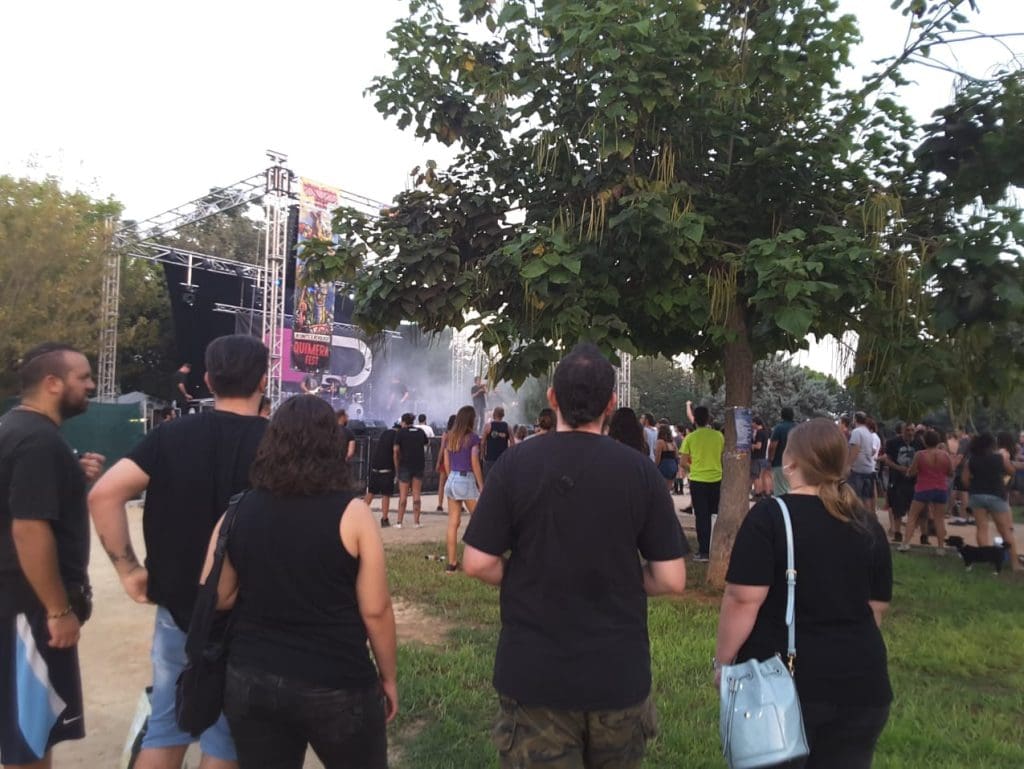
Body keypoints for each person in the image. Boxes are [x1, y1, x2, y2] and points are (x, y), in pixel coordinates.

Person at [462, 343, 687, 769]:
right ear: (611, 403)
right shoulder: (640, 471)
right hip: (618, 678)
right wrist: (623, 577)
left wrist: (524, 571)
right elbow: (672, 578)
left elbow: (477, 562)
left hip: (534, 678)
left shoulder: (515, 464)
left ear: (552, 397)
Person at [89, 334, 270, 769]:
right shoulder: (278, 444)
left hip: (178, 608)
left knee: (167, 729)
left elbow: (104, 495)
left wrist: (129, 570)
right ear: (264, 381)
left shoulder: (169, 435)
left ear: (208, 380)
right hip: (250, 615)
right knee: (226, 742)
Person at [200, 395, 397, 769]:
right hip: (336, 680)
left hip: (252, 677)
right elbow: (376, 610)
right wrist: (388, 678)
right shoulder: (354, 514)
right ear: (332, 445)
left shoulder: (237, 510)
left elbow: (218, 596)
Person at [715, 418, 893, 769]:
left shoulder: (770, 516)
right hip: (863, 682)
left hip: (786, 684)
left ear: (790, 463)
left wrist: (723, 662)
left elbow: (743, 599)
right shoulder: (866, 523)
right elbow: (876, 607)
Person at [0, 343, 103, 768]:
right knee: (30, 737)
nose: (91, 385)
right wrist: (58, 610)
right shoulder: (38, 441)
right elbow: (28, 529)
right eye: (83, 377)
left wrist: (71, 477)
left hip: (19, 603)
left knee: (29, 731)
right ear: (52, 383)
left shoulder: (17, 428)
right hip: (29, 606)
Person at [962, 432, 1022, 572]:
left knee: (982, 528)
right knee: (1005, 530)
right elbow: (1011, 471)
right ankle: (1015, 564)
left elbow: (964, 480)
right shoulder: (999, 458)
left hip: (977, 496)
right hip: (996, 495)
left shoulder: (972, 459)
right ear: (991, 445)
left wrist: (974, 487)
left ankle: (987, 560)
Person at [442, 406, 484, 572]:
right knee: (480, 519)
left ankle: (452, 563)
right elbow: (475, 463)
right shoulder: (473, 439)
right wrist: (481, 485)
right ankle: (479, 557)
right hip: (465, 479)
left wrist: (450, 477)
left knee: (453, 522)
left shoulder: (450, 437)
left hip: (452, 478)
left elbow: (446, 461)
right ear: (471, 420)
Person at [680, 406, 724, 562]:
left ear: (695, 420)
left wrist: (694, 468)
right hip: (716, 479)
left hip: (698, 480)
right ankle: (714, 547)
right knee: (714, 515)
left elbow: (683, 462)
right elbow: (722, 457)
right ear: (708, 419)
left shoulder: (690, 438)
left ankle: (703, 551)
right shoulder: (719, 436)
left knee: (701, 516)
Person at [901, 430, 953, 555]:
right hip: (940, 488)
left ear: (924, 441)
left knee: (912, 516)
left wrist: (909, 472)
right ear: (937, 441)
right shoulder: (945, 455)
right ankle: (941, 548)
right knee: (939, 519)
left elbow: (912, 472)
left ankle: (906, 543)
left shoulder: (920, 454)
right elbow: (950, 473)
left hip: (923, 488)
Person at [882, 422, 923, 544]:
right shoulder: (892, 443)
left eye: (912, 430)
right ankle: (897, 532)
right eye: (907, 430)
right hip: (897, 480)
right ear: (902, 430)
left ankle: (910, 534)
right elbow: (887, 460)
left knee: (913, 509)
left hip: (914, 481)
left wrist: (914, 471)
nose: (910, 432)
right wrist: (900, 468)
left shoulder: (919, 443)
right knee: (897, 507)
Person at [394, 413, 428, 528]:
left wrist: (397, 464)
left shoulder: (400, 433)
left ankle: (399, 522)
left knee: (403, 496)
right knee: (416, 495)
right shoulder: (420, 432)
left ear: (403, 422)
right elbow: (426, 443)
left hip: (405, 465)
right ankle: (416, 522)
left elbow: (396, 450)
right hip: (419, 465)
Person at [366, 423, 399, 528]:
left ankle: (360, 515)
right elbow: (395, 452)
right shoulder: (397, 436)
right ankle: (384, 519)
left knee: (370, 493)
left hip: (375, 467)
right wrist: (397, 469)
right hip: (387, 469)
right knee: (386, 495)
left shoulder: (384, 433)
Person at [847, 411, 877, 511]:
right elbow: (872, 451)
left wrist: (848, 465)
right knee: (866, 498)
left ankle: (857, 518)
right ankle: (867, 517)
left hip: (858, 470)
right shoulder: (868, 432)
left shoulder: (856, 432)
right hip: (868, 469)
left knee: (855, 497)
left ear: (855, 419)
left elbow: (855, 450)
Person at [768, 407, 797, 495]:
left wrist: (770, 459)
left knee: (780, 490)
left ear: (782, 416)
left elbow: (773, 446)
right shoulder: (799, 428)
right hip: (796, 464)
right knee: (793, 489)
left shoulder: (779, 428)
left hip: (780, 463)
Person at [482, 406, 512, 479]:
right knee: (502, 480)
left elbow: (483, 443)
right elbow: (513, 444)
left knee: (488, 479)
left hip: (490, 458)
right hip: (503, 459)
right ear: (503, 415)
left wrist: (482, 455)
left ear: (494, 414)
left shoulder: (488, 426)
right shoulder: (507, 427)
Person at [435, 414, 456, 512]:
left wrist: (438, 461)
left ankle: (440, 504)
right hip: (455, 460)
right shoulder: (459, 434)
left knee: (442, 483)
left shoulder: (446, 434)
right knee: (455, 483)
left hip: (445, 460)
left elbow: (442, 448)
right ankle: (458, 503)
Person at [750, 416, 771, 498]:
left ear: (755, 423)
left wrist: (751, 445)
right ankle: (766, 493)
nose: (751, 424)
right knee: (763, 476)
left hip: (757, 458)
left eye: (752, 422)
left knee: (756, 477)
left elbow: (758, 446)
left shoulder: (759, 433)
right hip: (763, 458)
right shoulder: (765, 432)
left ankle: (757, 493)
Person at [654, 424, 679, 491]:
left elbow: (658, 457)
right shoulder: (673, 443)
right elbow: (676, 456)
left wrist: (655, 467)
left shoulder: (660, 442)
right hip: (673, 466)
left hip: (664, 466)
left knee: (661, 489)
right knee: (668, 489)